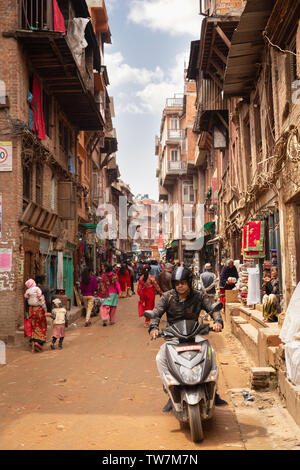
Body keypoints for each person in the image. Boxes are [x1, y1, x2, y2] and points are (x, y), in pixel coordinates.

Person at [148, 266, 226, 411]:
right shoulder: (167, 297)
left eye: (183, 282)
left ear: (189, 282)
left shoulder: (199, 296)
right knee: (160, 358)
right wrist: (153, 328)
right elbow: (156, 313)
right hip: (173, 337)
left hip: (195, 335)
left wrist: (218, 322)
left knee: (212, 353)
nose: (180, 286)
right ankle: (170, 391)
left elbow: (212, 309)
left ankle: (213, 391)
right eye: (177, 283)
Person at [24, 277, 52, 353]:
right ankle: (38, 342)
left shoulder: (28, 291)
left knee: (34, 326)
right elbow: (42, 299)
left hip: (31, 310)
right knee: (42, 325)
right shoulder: (37, 289)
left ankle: (33, 345)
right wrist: (46, 309)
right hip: (38, 310)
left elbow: (26, 300)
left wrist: (27, 312)